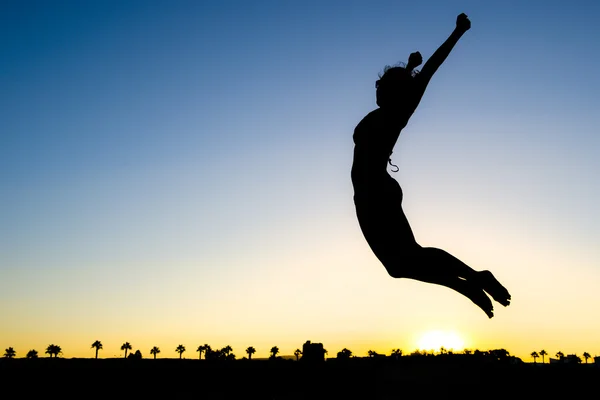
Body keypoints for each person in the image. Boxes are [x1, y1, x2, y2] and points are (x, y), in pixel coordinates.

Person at [351, 13, 510, 318]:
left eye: (383, 85)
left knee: (404, 260)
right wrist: (409, 68)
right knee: (403, 262)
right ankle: (469, 282)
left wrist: (457, 32)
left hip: (375, 191)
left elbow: (432, 68)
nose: (377, 88)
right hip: (372, 191)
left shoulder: (399, 111)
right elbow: (410, 80)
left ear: (394, 91)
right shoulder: (388, 109)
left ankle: (472, 280)